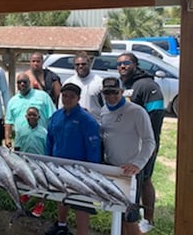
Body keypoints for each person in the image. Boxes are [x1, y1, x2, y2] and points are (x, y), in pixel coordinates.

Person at [116, 52, 165, 233]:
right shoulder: (121, 84)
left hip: (145, 146)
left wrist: (148, 146)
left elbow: (156, 116)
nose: (122, 66)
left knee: (144, 180)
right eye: (119, 64)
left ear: (135, 64)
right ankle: (126, 221)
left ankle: (148, 220)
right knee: (131, 182)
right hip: (127, 147)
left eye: (126, 63)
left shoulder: (148, 85)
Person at [100, 77, 155, 235]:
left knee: (130, 217)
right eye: (107, 93)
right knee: (118, 213)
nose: (111, 96)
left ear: (122, 92)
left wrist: (138, 164)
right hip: (112, 169)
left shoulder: (137, 112)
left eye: (114, 92)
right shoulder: (104, 110)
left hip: (131, 172)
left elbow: (149, 141)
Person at [45, 83, 101, 235]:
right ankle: (61, 225)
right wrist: (47, 161)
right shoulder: (56, 116)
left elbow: (93, 147)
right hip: (57, 167)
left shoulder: (87, 120)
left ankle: (82, 233)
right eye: (65, 96)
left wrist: (91, 171)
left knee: (81, 203)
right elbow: (49, 140)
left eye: (71, 96)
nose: (67, 99)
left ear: (78, 98)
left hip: (80, 170)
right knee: (61, 197)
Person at [4, 73, 56, 149]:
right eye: (19, 82)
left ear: (29, 82)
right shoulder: (12, 101)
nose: (22, 84)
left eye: (24, 82)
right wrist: (7, 138)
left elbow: (53, 117)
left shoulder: (43, 96)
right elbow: (8, 121)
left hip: (39, 140)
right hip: (21, 140)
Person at [15, 106, 48, 217]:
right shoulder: (21, 130)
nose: (32, 116)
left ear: (39, 117)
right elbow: (17, 146)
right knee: (26, 179)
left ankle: (40, 203)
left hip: (40, 163)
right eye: (30, 114)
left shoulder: (44, 132)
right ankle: (28, 194)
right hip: (25, 162)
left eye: (34, 114)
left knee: (41, 183)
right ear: (26, 116)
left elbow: (47, 149)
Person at [60, 51, 103, 121]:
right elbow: (61, 106)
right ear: (74, 66)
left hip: (94, 123)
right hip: (72, 123)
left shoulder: (99, 82)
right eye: (77, 64)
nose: (80, 66)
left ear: (89, 64)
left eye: (83, 64)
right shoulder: (68, 82)